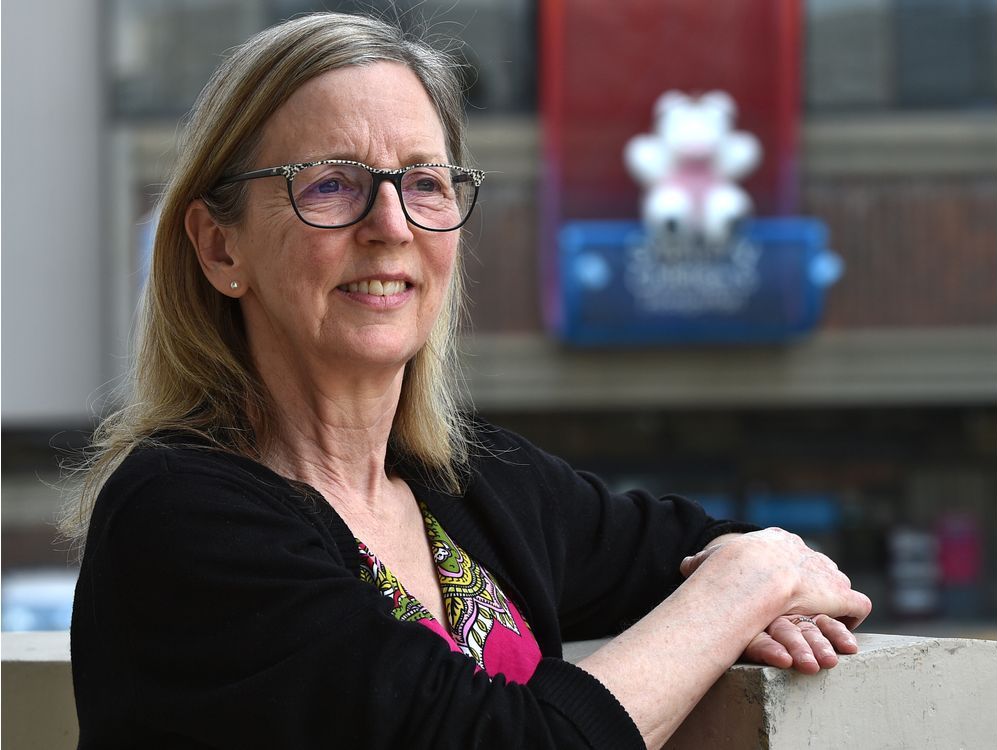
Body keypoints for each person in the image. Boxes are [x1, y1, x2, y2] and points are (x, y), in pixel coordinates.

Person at [66, 12, 871, 749]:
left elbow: (704, 549)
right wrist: (738, 595)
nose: (391, 227)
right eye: (331, 185)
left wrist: (759, 581)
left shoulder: (477, 486)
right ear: (218, 248)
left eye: (424, 183)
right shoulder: (179, 513)